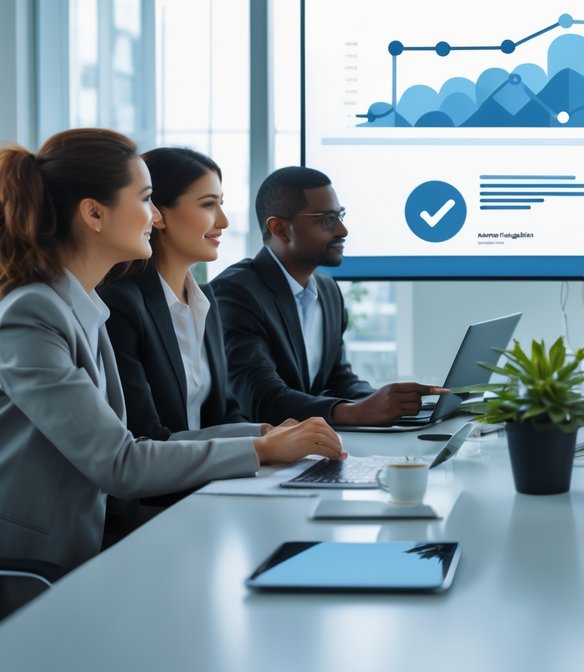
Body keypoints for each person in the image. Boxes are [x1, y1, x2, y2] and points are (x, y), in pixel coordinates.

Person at [0, 129, 344, 573]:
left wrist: (266, 434)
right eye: (145, 199)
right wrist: (261, 448)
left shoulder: (84, 305)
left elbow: (138, 445)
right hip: (35, 568)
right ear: (94, 214)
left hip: (88, 551)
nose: (152, 216)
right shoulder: (32, 312)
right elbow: (121, 461)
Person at [211, 166, 439, 425]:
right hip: (262, 459)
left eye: (340, 216)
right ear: (280, 229)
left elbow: (339, 381)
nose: (342, 230)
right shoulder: (236, 293)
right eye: (327, 220)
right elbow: (261, 399)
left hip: (312, 450)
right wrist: (357, 412)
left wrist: (401, 404)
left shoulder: (328, 291)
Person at [100, 148, 262, 441]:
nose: (223, 221)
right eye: (209, 204)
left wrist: (270, 433)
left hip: (210, 480)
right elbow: (144, 436)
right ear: (157, 214)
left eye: (221, 204)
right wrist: (262, 444)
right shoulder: (120, 304)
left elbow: (223, 412)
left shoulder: (205, 299)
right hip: (160, 483)